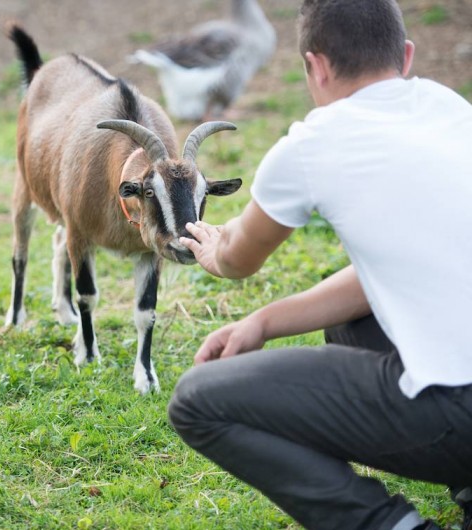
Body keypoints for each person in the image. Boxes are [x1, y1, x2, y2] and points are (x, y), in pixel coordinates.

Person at [169, 1, 472, 529]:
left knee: (198, 400)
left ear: (316, 67)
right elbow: (389, 277)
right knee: (351, 322)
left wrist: (214, 248)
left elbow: (237, 258)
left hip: (460, 407)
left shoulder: (313, 143)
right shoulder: (450, 108)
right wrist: (262, 322)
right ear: (406, 55)